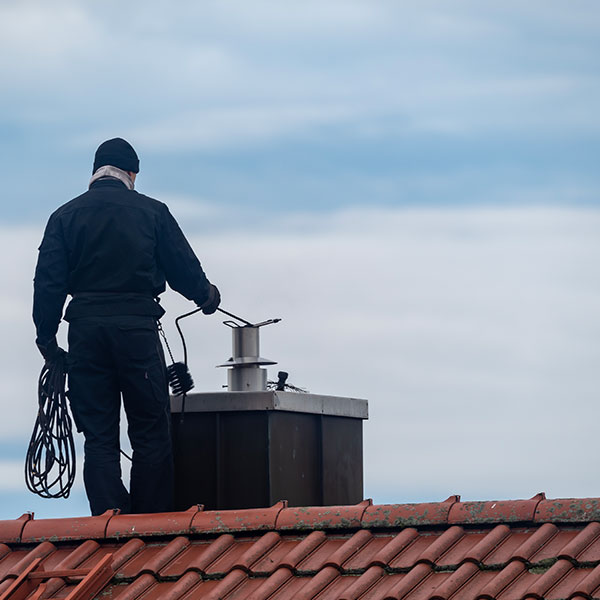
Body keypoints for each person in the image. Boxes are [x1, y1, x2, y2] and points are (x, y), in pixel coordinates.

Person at [32, 138, 220, 516]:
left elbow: (48, 283)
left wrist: (48, 341)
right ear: (132, 172)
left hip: (85, 333)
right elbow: (182, 266)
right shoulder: (152, 212)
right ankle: (148, 529)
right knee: (150, 432)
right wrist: (206, 296)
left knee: (99, 436)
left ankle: (109, 525)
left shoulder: (64, 216)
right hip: (137, 331)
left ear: (95, 172)